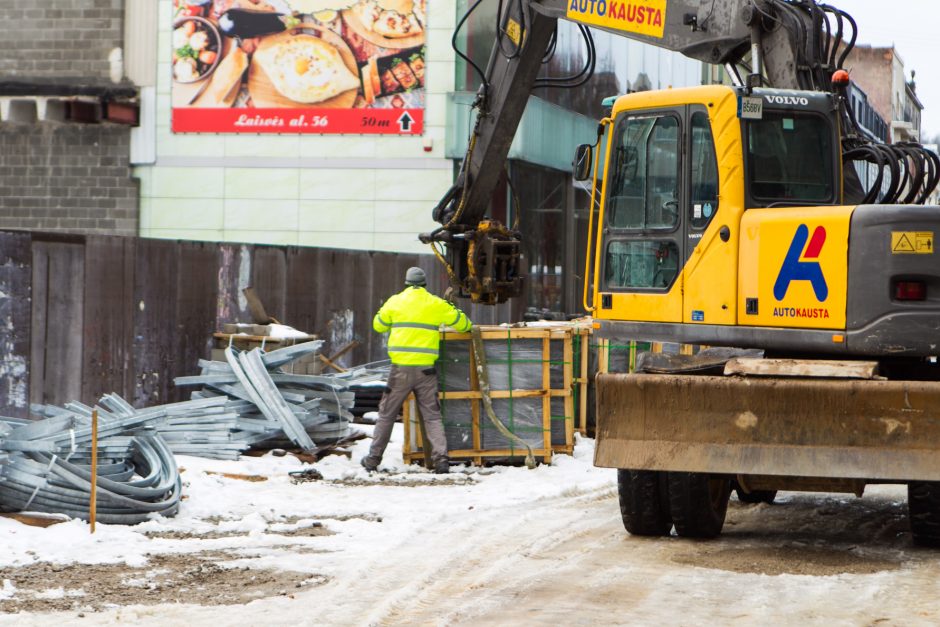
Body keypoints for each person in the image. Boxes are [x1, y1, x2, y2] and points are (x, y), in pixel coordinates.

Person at [361, 267, 472, 474]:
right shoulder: (435, 303)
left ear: (405, 282)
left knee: (386, 415)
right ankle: (441, 461)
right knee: (432, 416)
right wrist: (451, 309)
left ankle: (372, 460)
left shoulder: (395, 301)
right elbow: (465, 324)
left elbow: (378, 325)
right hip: (426, 371)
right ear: (424, 284)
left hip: (400, 371)